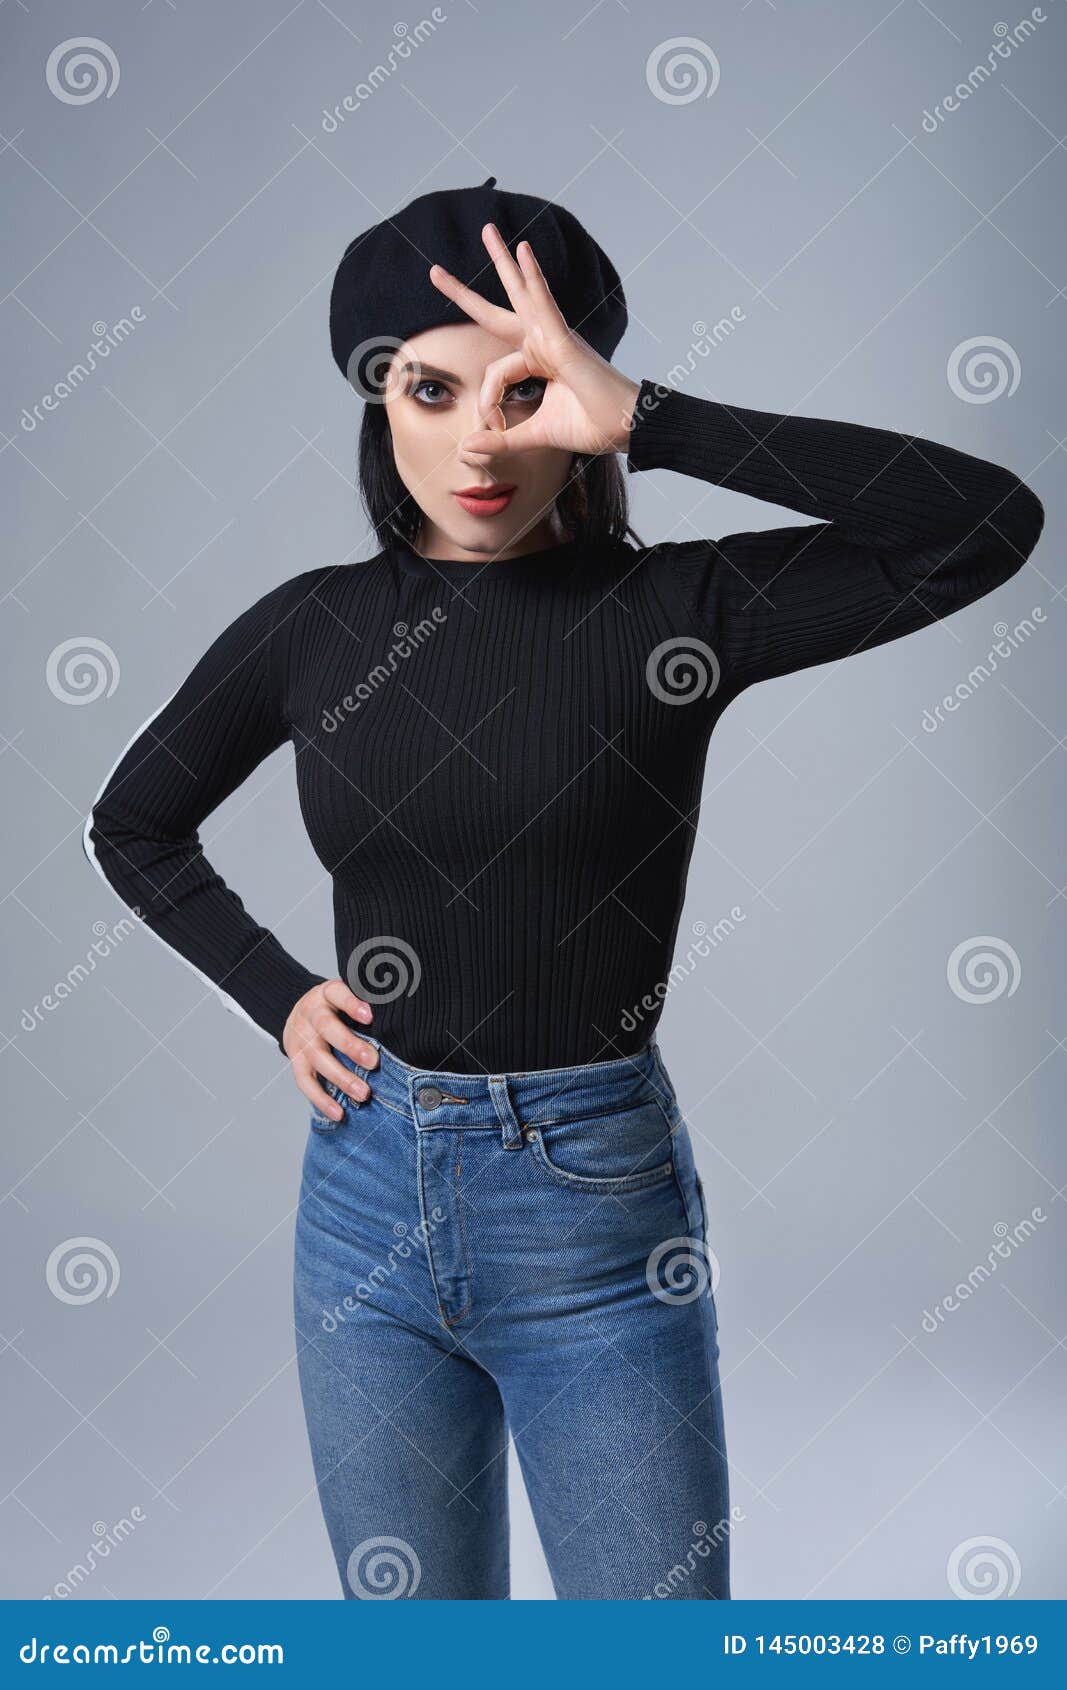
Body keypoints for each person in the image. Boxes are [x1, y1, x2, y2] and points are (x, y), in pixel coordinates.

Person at [83, 177, 1044, 1600]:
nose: (483, 438)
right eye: (433, 387)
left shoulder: (674, 613)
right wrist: (276, 993)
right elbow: (134, 821)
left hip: (593, 1213)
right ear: (376, 402)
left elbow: (984, 523)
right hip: (362, 1203)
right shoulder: (311, 631)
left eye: (527, 389)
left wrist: (653, 415)